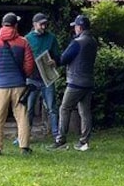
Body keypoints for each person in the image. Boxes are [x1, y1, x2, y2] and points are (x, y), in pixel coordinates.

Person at [0, 12, 35, 156]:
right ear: (15, 25)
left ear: (3, 25)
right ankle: (24, 147)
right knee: (22, 117)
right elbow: (30, 64)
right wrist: (23, 76)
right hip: (19, 85)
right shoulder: (23, 42)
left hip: (0, 86)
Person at [51, 14, 98, 151]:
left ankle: (61, 139)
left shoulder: (78, 42)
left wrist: (54, 61)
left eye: (76, 27)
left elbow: (63, 58)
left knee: (64, 108)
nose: (74, 29)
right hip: (88, 81)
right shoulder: (93, 41)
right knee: (85, 112)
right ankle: (84, 141)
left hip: (75, 82)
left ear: (80, 27)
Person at [21, 13, 61, 143]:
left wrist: (54, 62)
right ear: (34, 24)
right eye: (41, 24)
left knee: (52, 108)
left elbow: (58, 57)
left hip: (47, 78)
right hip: (32, 78)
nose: (43, 26)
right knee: (29, 108)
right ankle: (24, 135)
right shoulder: (27, 39)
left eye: (45, 24)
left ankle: (56, 135)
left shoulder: (51, 38)